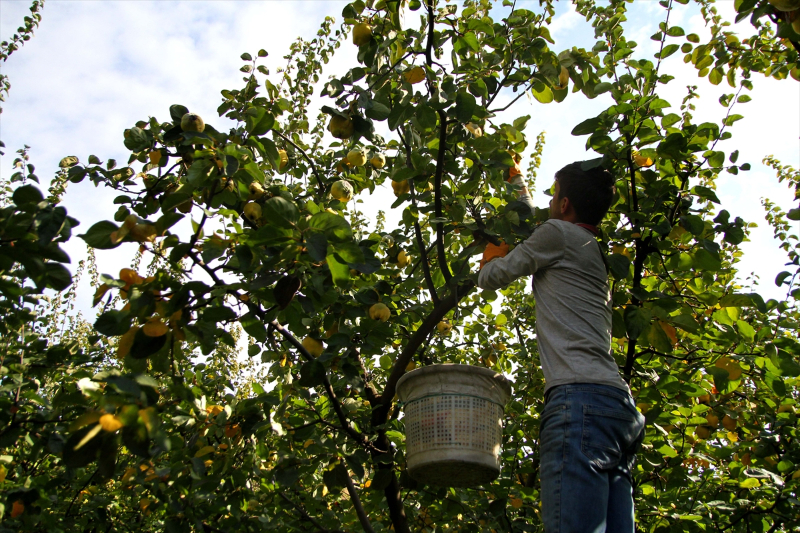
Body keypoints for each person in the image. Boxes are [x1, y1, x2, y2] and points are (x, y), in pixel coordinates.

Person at [478, 161, 645, 533]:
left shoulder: (556, 235)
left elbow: (491, 277)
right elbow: (534, 225)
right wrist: (515, 184)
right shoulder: (591, 249)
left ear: (565, 204)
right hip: (619, 411)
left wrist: (494, 245)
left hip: (579, 402)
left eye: (553, 196)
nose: (549, 202)